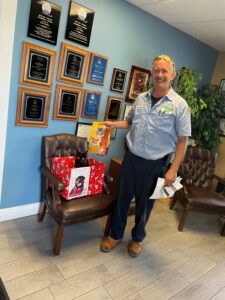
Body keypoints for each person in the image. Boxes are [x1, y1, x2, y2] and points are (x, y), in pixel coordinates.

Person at [100, 54, 191, 258]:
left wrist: (173, 169)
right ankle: (115, 235)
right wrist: (113, 124)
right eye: (156, 70)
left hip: (155, 165)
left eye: (164, 71)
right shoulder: (141, 98)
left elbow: (182, 141)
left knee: (144, 205)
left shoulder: (180, 105)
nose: (160, 75)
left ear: (172, 75)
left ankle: (137, 239)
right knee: (122, 199)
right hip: (131, 159)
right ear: (152, 74)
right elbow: (130, 122)